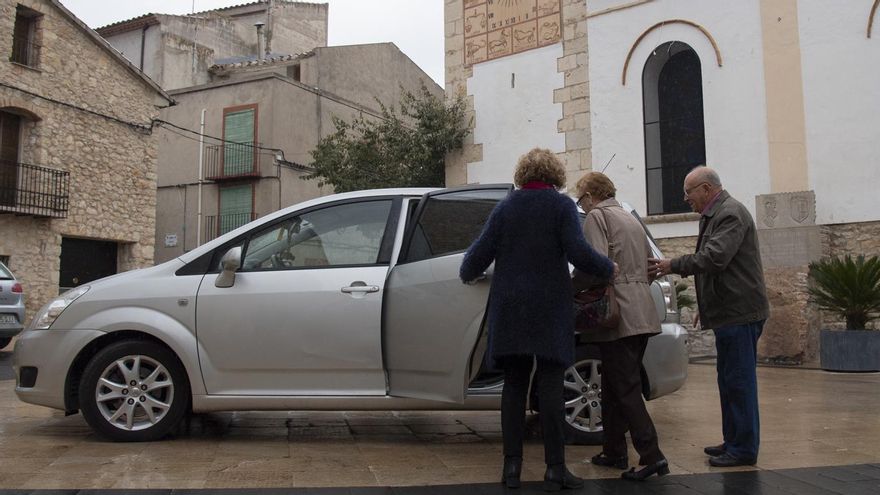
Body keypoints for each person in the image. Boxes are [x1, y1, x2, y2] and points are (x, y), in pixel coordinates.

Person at [460, 148, 616, 491]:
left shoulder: (505, 207)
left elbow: (474, 259)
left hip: (512, 308)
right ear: (554, 175)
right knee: (549, 386)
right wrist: (608, 267)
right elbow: (578, 251)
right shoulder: (560, 206)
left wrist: (470, 274)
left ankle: (511, 468)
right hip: (549, 308)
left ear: (523, 173)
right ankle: (555, 468)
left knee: (513, 386)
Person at [648, 166, 769, 468]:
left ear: (705, 188)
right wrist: (708, 306)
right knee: (728, 380)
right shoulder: (716, 214)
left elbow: (715, 258)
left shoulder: (730, 214)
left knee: (739, 382)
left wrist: (670, 264)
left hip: (739, 314)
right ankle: (734, 440)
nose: (686, 199)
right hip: (729, 312)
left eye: (688, 192)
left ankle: (743, 448)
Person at [571, 172, 668, 481]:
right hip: (642, 311)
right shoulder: (629, 217)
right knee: (614, 384)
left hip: (618, 315)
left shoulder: (596, 217)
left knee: (625, 388)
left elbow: (597, 266)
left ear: (589, 195)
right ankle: (614, 450)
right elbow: (652, 266)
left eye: (580, 199)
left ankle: (652, 456)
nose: (581, 205)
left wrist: (569, 287)